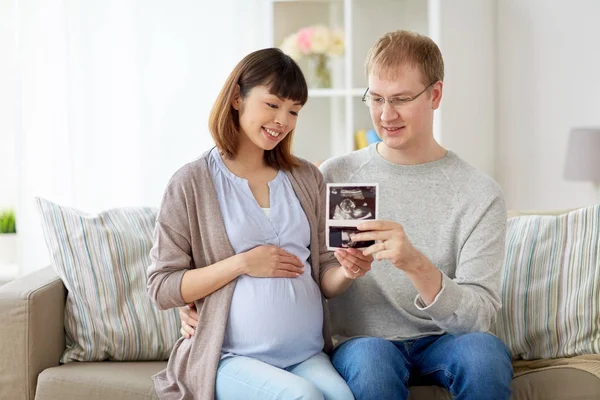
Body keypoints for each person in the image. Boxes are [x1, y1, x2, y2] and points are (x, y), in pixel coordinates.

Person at [179, 31, 513, 399]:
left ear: (435, 95)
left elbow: (478, 319)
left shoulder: (478, 194)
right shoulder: (333, 175)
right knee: (371, 363)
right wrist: (202, 310)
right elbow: (298, 260)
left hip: (445, 341)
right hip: (362, 342)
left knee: (485, 354)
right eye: (376, 98)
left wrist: (416, 265)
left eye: (401, 99)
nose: (386, 114)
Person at [147, 48, 370, 400]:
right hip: (229, 357)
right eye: (273, 104)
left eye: (293, 111)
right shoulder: (191, 182)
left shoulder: (306, 177)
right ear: (237, 98)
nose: (282, 120)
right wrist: (242, 263)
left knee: (342, 397)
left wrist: (348, 270)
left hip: (304, 354)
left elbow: (326, 275)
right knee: (304, 397)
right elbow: (161, 286)